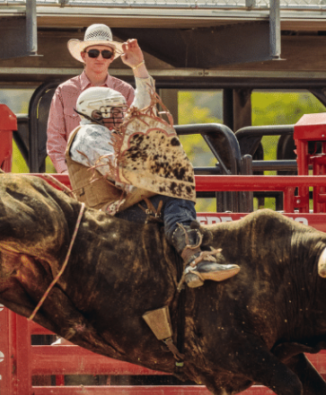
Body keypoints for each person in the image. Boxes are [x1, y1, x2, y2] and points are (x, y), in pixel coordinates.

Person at [66, 39, 239, 289]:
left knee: (171, 192)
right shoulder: (90, 136)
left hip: (119, 204)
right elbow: (119, 174)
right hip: (104, 213)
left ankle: (191, 263)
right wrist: (158, 177)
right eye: (115, 111)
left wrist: (139, 67)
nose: (122, 116)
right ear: (95, 113)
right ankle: (194, 260)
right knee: (173, 195)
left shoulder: (105, 130)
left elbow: (143, 107)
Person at [46, 23, 139, 174]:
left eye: (106, 54)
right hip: (76, 176)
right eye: (94, 53)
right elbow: (55, 141)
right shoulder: (64, 91)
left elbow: (135, 136)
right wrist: (66, 174)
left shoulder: (126, 91)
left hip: (117, 177)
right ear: (83, 56)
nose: (100, 58)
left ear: (112, 57)